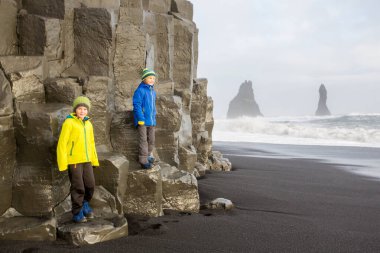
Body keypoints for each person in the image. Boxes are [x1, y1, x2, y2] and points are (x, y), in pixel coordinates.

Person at [57, 96, 99, 223]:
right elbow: (62, 144)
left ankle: (85, 203)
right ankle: (77, 212)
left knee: (90, 185)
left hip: (86, 160)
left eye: (85, 109)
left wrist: (94, 160)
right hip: (74, 161)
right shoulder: (69, 122)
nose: (82, 111)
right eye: (80, 108)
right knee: (78, 187)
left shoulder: (89, 124)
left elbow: (91, 143)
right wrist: (63, 163)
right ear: (75, 110)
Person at [133, 68, 157, 169]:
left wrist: (153, 117)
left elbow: (153, 107)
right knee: (143, 140)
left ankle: (148, 155)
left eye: (153, 78)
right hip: (142, 120)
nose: (152, 80)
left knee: (151, 139)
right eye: (149, 78)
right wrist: (140, 118)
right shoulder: (140, 90)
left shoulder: (153, 91)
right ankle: (143, 160)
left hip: (151, 120)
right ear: (144, 79)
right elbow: (137, 105)